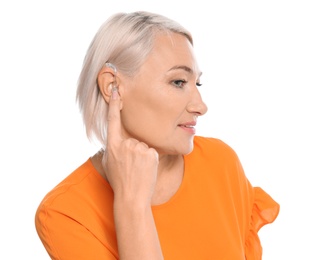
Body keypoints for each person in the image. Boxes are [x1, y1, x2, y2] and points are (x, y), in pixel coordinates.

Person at [35, 11, 280, 260]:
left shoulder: (221, 163)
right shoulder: (65, 212)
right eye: (178, 82)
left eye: (198, 84)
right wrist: (133, 205)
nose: (200, 106)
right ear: (113, 87)